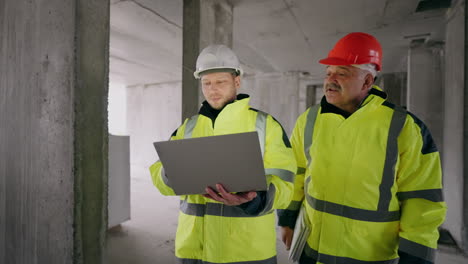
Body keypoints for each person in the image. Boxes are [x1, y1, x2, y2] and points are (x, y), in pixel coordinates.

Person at [278, 32, 447, 264]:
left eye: (342, 73)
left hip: (370, 257)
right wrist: (287, 219)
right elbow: (295, 173)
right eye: (328, 73)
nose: (330, 80)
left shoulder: (405, 128)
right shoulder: (309, 120)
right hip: (312, 253)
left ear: (367, 81)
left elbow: (421, 201)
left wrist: (416, 259)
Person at [150, 44, 296, 264]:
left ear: (237, 82)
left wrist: (254, 200)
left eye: (220, 82)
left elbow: (286, 187)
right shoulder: (188, 127)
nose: (212, 89)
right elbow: (159, 177)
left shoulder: (265, 126)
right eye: (206, 83)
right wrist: (169, 174)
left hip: (247, 254)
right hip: (193, 253)